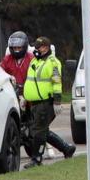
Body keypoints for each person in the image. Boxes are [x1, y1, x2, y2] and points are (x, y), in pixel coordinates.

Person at [22, 36, 75, 168]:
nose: (36, 49)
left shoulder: (52, 62)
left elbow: (57, 82)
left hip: (45, 103)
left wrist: (57, 102)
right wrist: (25, 97)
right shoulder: (36, 61)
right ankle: (66, 148)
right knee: (42, 130)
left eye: (38, 47)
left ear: (45, 47)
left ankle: (36, 159)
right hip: (34, 103)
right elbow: (30, 81)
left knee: (38, 131)